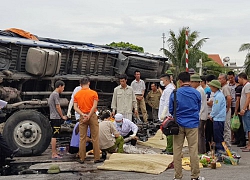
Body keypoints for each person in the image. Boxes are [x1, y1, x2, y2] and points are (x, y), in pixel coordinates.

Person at [169, 72, 202, 180]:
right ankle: (195, 176)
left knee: (177, 150)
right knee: (193, 149)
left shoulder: (175, 93)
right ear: (189, 80)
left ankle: (178, 176)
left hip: (178, 125)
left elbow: (170, 110)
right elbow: (198, 108)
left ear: (180, 81)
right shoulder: (196, 93)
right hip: (192, 124)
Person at [74, 77, 103, 164]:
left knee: (82, 138)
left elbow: (75, 107)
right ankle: (96, 158)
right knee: (95, 138)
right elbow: (94, 106)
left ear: (80, 84)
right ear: (89, 83)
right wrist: (89, 115)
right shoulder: (93, 93)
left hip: (82, 116)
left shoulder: (77, 94)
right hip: (92, 116)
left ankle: (82, 158)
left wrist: (83, 115)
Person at [48, 80, 67, 159]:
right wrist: (62, 116)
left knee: (54, 135)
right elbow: (58, 106)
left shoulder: (52, 94)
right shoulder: (56, 94)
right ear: (59, 86)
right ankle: (53, 153)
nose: (63, 89)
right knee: (55, 135)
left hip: (53, 116)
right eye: (63, 87)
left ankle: (55, 152)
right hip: (56, 117)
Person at [190, 74, 208, 154]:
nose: (191, 84)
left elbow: (200, 105)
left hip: (200, 115)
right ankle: (201, 150)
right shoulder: (199, 89)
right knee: (200, 135)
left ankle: (200, 152)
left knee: (199, 135)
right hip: (201, 115)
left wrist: (197, 116)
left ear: (197, 82)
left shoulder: (199, 90)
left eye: (192, 82)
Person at [158, 74, 175, 155]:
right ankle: (168, 147)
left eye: (162, 80)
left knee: (169, 131)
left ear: (166, 80)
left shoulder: (169, 90)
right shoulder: (167, 89)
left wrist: (164, 113)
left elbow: (168, 103)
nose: (161, 82)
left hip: (167, 114)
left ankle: (170, 148)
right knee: (166, 131)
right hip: (166, 113)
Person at [208, 80, 226, 152]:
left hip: (218, 119)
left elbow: (216, 108)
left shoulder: (218, 96)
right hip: (218, 118)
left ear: (215, 87)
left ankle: (220, 151)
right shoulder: (218, 95)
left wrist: (211, 115)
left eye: (211, 86)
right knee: (218, 136)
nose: (210, 88)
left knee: (218, 136)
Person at [218, 73, 232, 149]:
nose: (219, 80)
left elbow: (229, 98)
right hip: (224, 109)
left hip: (226, 108)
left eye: (220, 79)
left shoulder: (226, 87)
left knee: (226, 127)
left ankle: (228, 146)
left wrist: (227, 108)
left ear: (224, 79)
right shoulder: (222, 87)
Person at [238, 72, 250, 152]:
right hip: (245, 110)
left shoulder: (248, 85)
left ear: (242, 78)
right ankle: (248, 144)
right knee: (247, 128)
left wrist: (244, 109)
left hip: (247, 110)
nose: (238, 81)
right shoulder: (245, 86)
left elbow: (248, 97)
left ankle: (249, 145)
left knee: (249, 128)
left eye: (238, 79)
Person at [234, 76, 246, 147]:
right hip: (241, 108)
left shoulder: (238, 88)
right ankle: (240, 140)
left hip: (239, 109)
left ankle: (240, 140)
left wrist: (236, 109)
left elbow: (237, 100)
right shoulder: (242, 87)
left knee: (239, 125)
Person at [227, 71, 237, 144]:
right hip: (230, 105)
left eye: (232, 78)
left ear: (234, 76)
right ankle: (232, 137)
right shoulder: (227, 85)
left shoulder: (237, 85)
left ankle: (236, 137)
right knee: (230, 121)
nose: (230, 79)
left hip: (236, 104)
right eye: (229, 78)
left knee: (236, 122)